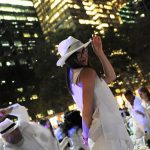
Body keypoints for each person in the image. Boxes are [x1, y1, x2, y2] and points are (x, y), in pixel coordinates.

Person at [56, 35, 133, 150]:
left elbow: (111, 76)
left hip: (104, 130)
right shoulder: (87, 73)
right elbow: (87, 110)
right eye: (78, 54)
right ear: (70, 58)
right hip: (105, 131)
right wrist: (85, 136)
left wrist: (99, 52)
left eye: (84, 51)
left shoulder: (75, 77)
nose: (83, 55)